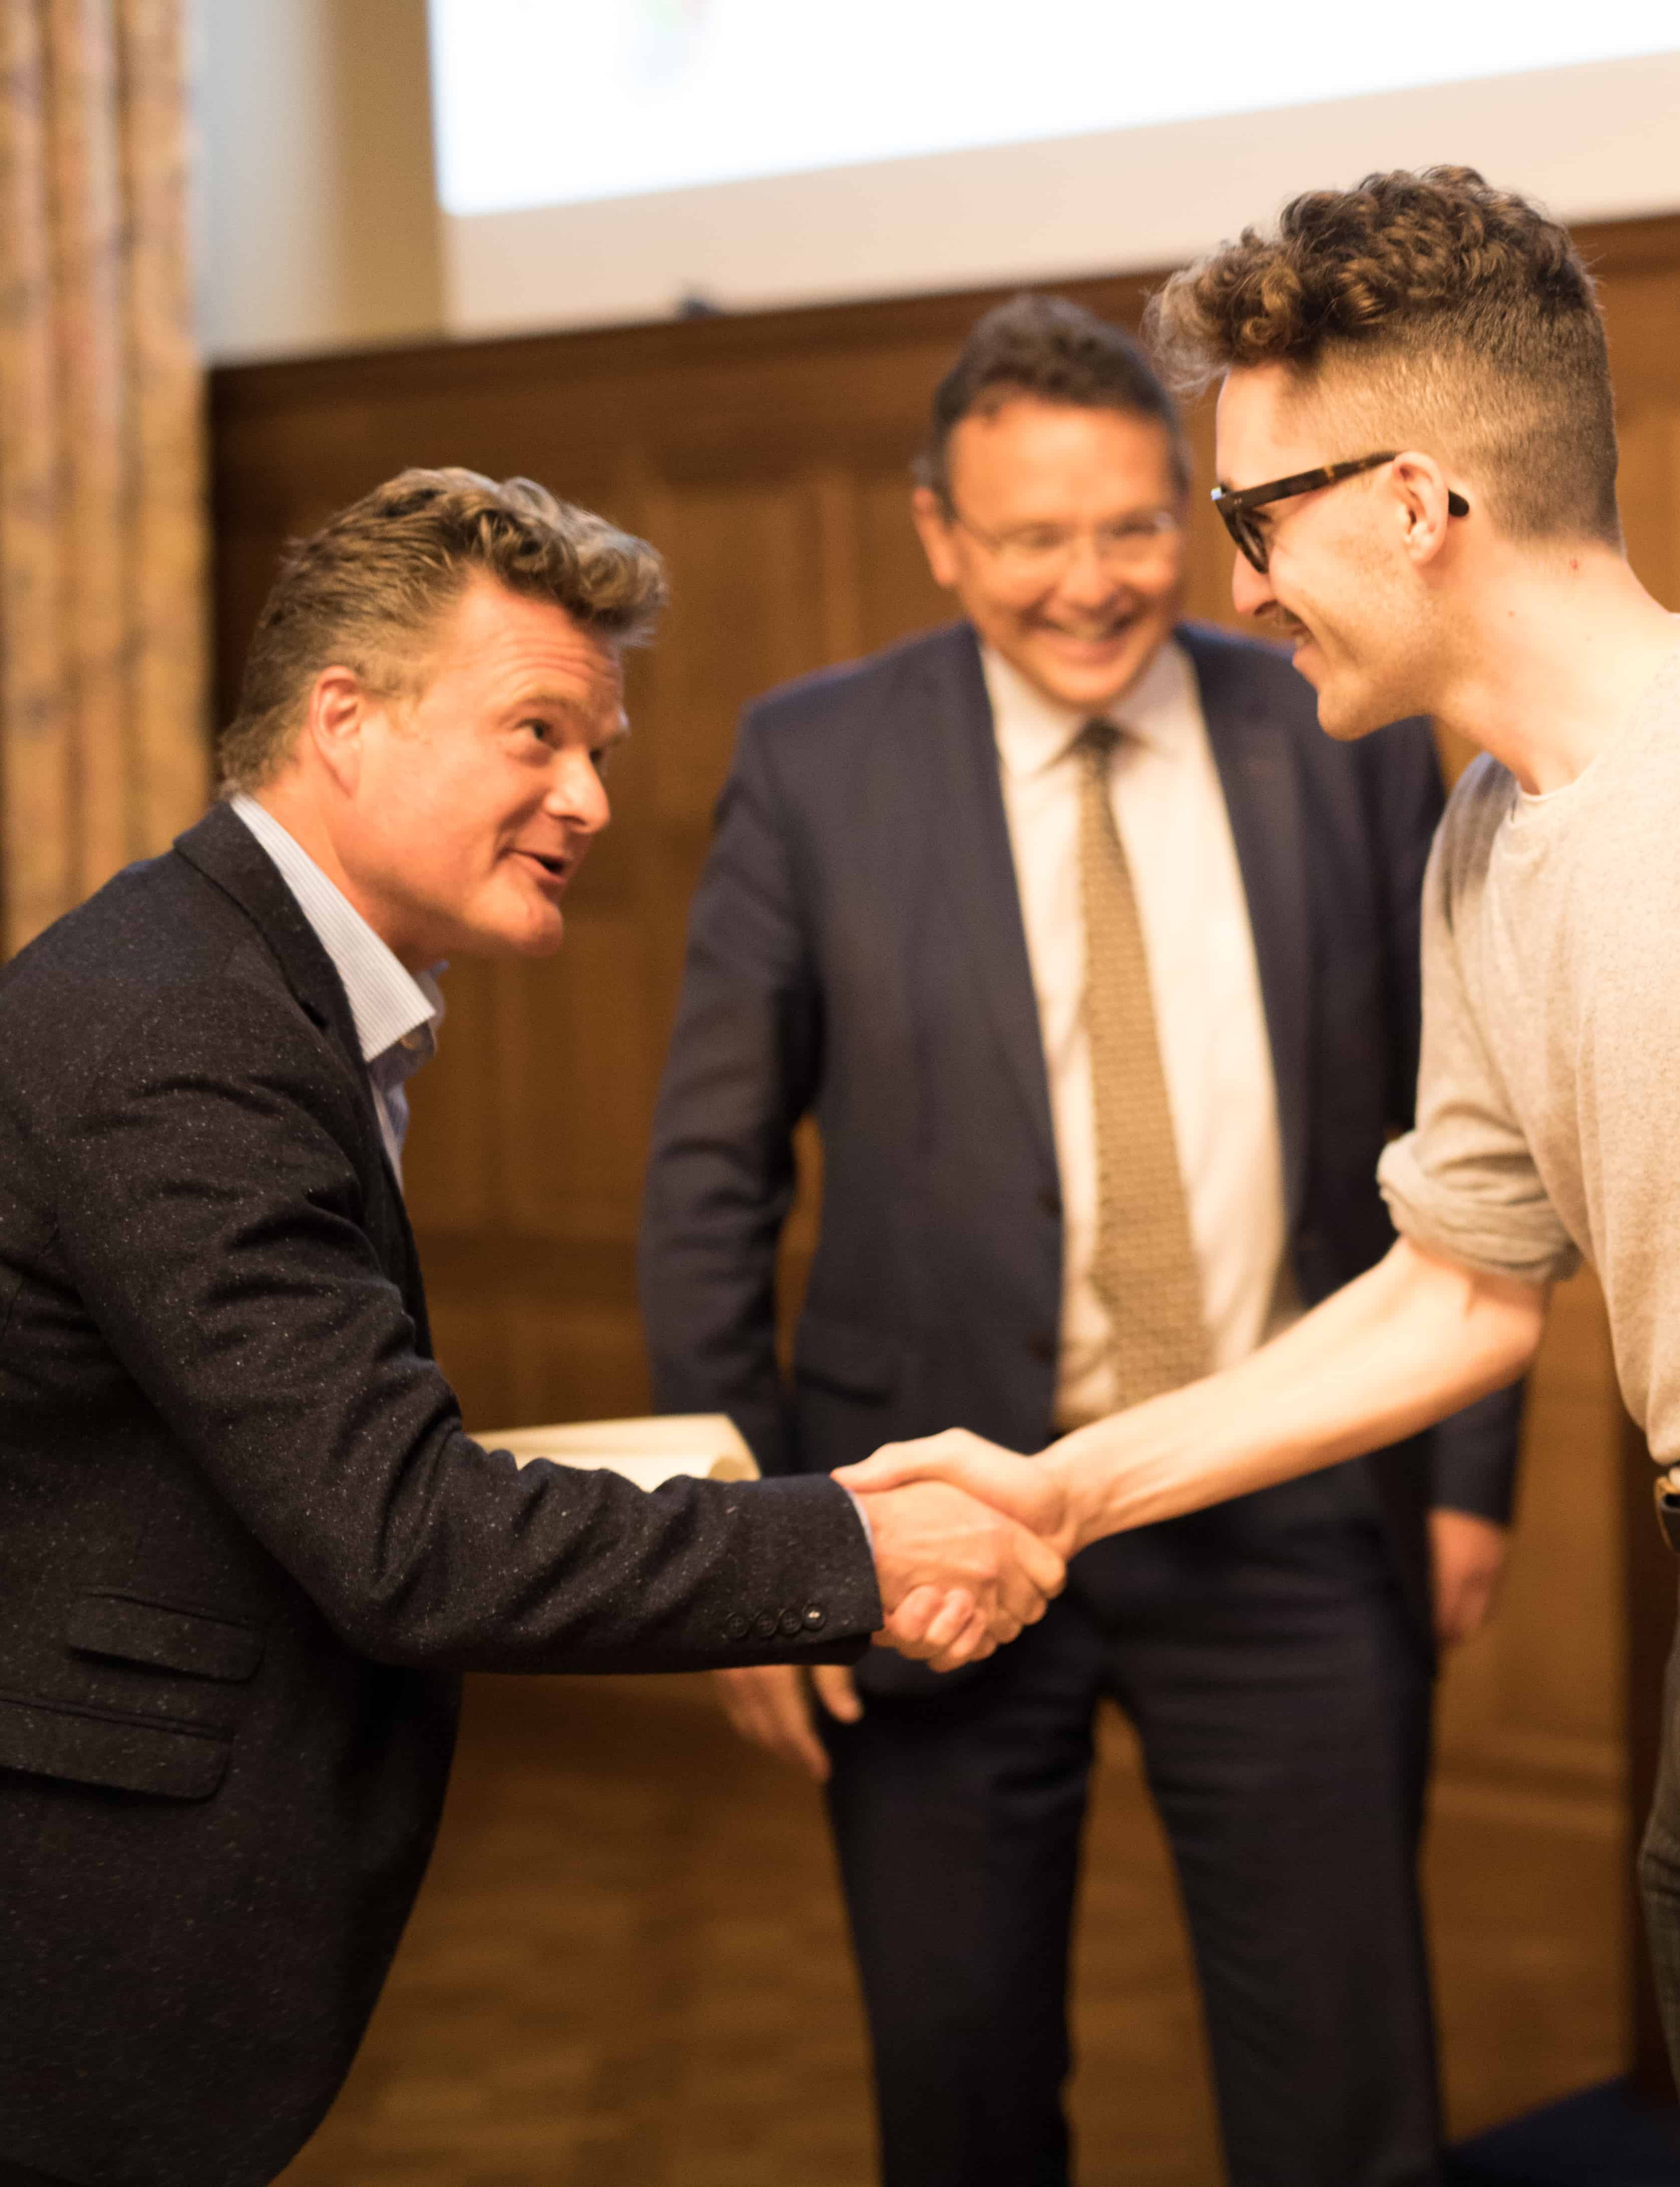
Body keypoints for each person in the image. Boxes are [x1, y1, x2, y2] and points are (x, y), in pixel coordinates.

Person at [847, 171, 1680, 2180]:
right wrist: (1063, 1487)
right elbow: (1462, 1286)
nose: (1235, 590)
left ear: (1412, 500)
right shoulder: (1488, 828)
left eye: (1251, 519)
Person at [0, 469, 1060, 2187]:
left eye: (601, 750)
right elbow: (402, 1537)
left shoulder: (247, 984)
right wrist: (858, 1553)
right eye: (538, 734)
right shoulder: (180, 1026)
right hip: (85, 1921)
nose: (587, 797)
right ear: (342, 721)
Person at [639, 294, 1521, 2187]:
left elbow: (1465, 1123)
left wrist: (1466, 1475)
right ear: (939, 535)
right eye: (1030, 537)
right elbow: (714, 1172)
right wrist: (740, 1553)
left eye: (1133, 525)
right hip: (930, 1520)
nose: (1090, 581)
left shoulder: (1345, 729)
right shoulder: (814, 763)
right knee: (955, 2094)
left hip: (1287, 1497)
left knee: (1349, 2094)